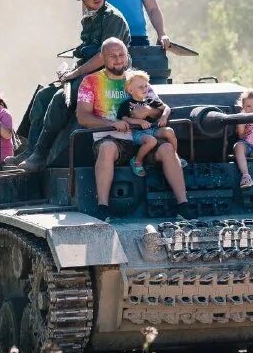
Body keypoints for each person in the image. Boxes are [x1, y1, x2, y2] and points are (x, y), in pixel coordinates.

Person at [14, 0, 129, 171]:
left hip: (109, 73)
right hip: (89, 71)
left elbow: (104, 57)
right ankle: (31, 150)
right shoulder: (90, 17)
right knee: (43, 96)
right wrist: (76, 58)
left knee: (61, 99)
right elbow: (89, 47)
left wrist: (75, 73)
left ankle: (41, 155)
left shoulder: (112, 18)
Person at [76, 38, 194, 221]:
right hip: (112, 137)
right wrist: (112, 123)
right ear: (102, 58)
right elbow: (83, 117)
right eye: (112, 56)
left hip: (143, 135)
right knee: (107, 148)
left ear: (127, 56)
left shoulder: (136, 79)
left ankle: (183, 205)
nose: (117, 59)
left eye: (121, 55)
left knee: (167, 148)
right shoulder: (91, 81)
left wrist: (148, 111)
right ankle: (103, 208)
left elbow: (159, 109)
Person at [117, 69, 186, 177]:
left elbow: (166, 108)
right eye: (140, 87)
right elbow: (124, 118)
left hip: (153, 129)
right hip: (138, 133)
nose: (144, 89)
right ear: (130, 90)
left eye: (145, 86)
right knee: (151, 141)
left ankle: (175, 155)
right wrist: (139, 121)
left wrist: (163, 117)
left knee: (169, 132)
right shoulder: (126, 104)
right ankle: (137, 161)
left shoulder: (150, 100)